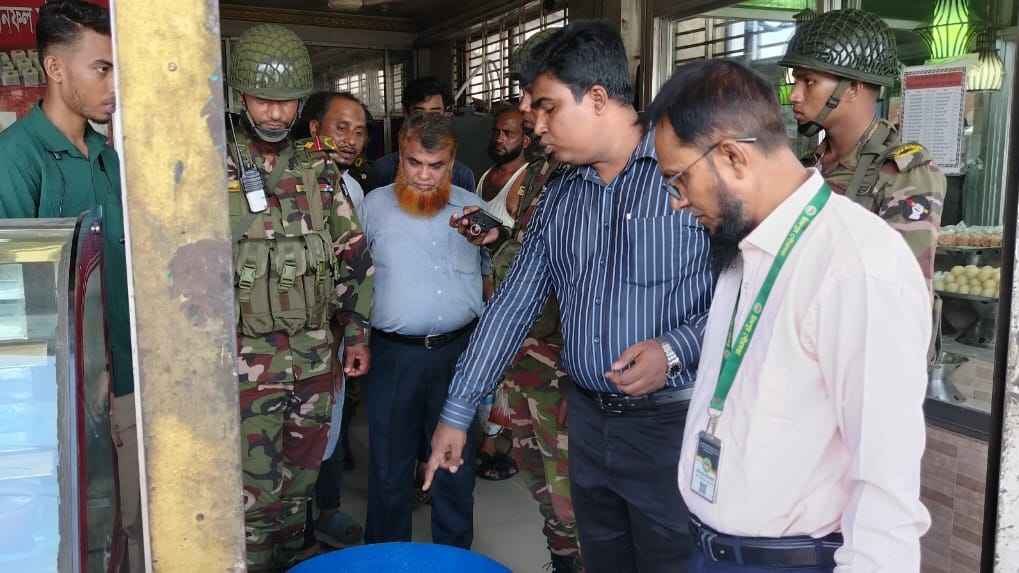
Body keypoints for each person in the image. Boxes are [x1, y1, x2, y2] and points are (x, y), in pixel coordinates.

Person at [426, 21, 714, 573]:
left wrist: (675, 348)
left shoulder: (691, 176)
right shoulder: (561, 194)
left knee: (673, 561)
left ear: (599, 98)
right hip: (585, 421)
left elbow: (750, 297)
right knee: (599, 556)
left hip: (670, 426)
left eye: (547, 108)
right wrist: (458, 412)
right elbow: (513, 305)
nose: (535, 126)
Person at [648, 58, 931, 572]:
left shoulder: (855, 266)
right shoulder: (744, 245)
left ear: (732, 156)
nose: (677, 203)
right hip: (712, 551)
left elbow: (886, 489)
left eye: (678, 180)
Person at [225, 24, 373, 572]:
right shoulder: (207, 167)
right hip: (244, 367)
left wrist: (357, 331)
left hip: (314, 360)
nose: (276, 112)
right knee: (249, 497)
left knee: (298, 490)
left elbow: (353, 254)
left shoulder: (319, 170)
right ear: (240, 94)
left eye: (287, 100)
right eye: (263, 98)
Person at [0, 2, 141, 571]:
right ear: (55, 69)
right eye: (101, 69)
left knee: (128, 524)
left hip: (126, 383)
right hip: (54, 399)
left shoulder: (109, 158)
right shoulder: (18, 159)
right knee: (65, 535)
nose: (113, 85)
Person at [360, 112, 484, 549]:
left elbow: (495, 276)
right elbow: (353, 278)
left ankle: (454, 558)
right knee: (390, 468)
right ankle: (386, 558)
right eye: (415, 163)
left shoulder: (476, 211)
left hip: (460, 356)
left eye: (437, 166)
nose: (426, 176)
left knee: (455, 467)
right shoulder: (371, 207)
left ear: (452, 163)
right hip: (395, 356)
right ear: (400, 156)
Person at [780, 8, 946, 287]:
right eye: (795, 80)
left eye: (809, 82)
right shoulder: (807, 166)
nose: (795, 95)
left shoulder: (903, 173)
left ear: (852, 88)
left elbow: (905, 293)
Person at [299, 90, 373, 550]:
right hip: (296, 334)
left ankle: (326, 510)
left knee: (330, 421)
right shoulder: (289, 180)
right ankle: (298, 528)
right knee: (295, 431)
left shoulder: (354, 187)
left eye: (360, 131)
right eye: (340, 127)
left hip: (339, 331)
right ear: (314, 130)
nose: (351, 139)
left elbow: (357, 264)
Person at [364, 76, 475, 192]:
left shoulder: (462, 176)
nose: (427, 120)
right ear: (406, 113)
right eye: (419, 113)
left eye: (435, 113)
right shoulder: (382, 170)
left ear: (446, 115)